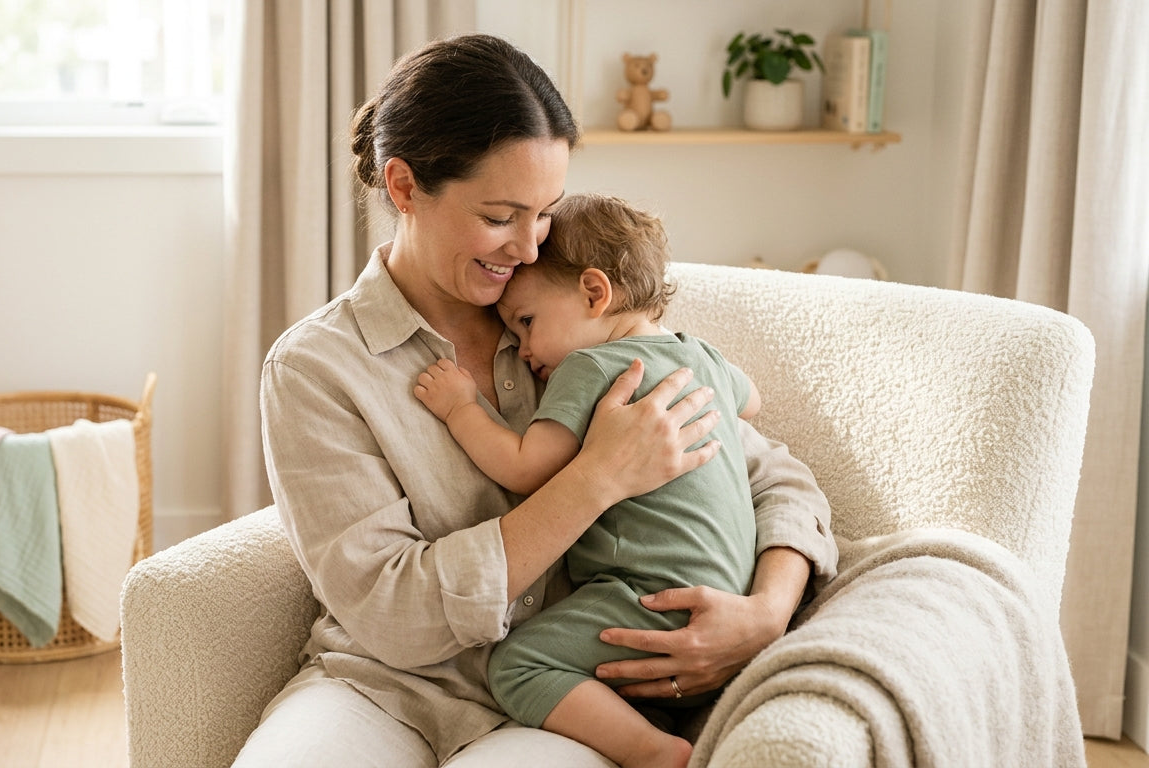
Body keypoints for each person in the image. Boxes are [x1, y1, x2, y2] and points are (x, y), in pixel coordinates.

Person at [243, 33, 837, 767]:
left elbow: (771, 475)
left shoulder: (574, 323)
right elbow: (393, 615)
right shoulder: (316, 369)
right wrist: (596, 480)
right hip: (382, 689)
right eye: (499, 216)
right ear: (403, 188)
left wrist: (765, 614)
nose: (528, 248)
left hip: (580, 693)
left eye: (545, 212)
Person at [414, 192, 760, 768]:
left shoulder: (592, 367)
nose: (523, 350)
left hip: (650, 600)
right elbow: (752, 403)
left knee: (516, 665)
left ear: (595, 294)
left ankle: (653, 752)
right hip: (724, 600)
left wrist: (460, 409)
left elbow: (525, 465)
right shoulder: (700, 357)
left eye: (526, 323)